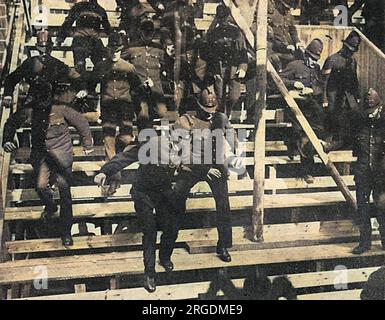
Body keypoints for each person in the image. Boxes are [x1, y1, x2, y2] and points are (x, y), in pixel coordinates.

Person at [2, 71, 94, 247]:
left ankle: (66, 232)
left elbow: (81, 122)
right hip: (42, 155)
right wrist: (6, 139)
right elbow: (11, 123)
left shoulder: (62, 108)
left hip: (61, 155)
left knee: (65, 192)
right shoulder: (29, 110)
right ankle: (51, 207)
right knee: (40, 186)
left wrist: (88, 144)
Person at [93, 134, 187, 293]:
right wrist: (104, 172)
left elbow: (195, 166)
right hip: (143, 192)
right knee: (150, 230)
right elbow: (124, 158)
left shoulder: (187, 149)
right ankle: (149, 274)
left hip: (163, 191)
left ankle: (164, 257)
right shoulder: (151, 145)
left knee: (172, 227)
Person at [173, 89, 243, 263]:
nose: (210, 114)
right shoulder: (187, 121)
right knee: (176, 196)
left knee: (223, 204)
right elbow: (183, 153)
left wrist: (237, 153)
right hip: (193, 167)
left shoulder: (220, 118)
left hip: (216, 166)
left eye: (212, 109)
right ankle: (169, 240)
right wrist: (203, 170)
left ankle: (223, 245)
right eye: (206, 110)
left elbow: (231, 135)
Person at [86, 31, 145, 196]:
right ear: (107, 50)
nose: (114, 53)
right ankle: (115, 178)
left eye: (117, 50)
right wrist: (95, 106)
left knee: (126, 139)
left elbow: (137, 88)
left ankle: (115, 168)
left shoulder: (128, 67)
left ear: (121, 50)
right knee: (108, 142)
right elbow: (91, 87)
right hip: (108, 108)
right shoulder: (101, 67)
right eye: (111, 50)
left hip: (125, 108)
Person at [280, 38, 326, 183]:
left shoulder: (317, 68)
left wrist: (311, 90)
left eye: (316, 59)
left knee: (318, 130)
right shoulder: (294, 65)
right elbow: (278, 80)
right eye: (312, 58)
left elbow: (320, 87)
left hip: (311, 106)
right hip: (295, 105)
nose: (313, 61)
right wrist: (294, 83)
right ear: (306, 55)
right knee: (303, 135)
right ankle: (307, 171)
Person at [351, 88, 385, 255]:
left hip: (381, 174)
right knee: (362, 209)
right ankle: (364, 243)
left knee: (382, 207)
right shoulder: (359, 120)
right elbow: (345, 139)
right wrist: (328, 146)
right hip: (363, 171)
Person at [122, 18, 167, 126]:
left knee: (162, 112)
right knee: (143, 116)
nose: (148, 34)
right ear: (140, 31)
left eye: (150, 31)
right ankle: (146, 137)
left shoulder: (159, 49)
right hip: (139, 88)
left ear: (153, 32)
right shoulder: (132, 48)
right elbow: (121, 62)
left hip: (155, 88)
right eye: (145, 31)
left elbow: (166, 65)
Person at [322, 31, 361, 152]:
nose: (350, 53)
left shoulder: (352, 61)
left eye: (352, 51)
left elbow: (354, 79)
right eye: (348, 49)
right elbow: (324, 82)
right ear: (344, 46)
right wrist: (324, 99)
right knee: (335, 127)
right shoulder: (331, 60)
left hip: (349, 100)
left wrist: (357, 96)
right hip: (334, 99)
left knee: (350, 126)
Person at [206, 4, 248, 117]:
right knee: (220, 96)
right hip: (219, 68)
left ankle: (227, 113)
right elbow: (209, 53)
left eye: (225, 17)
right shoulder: (213, 33)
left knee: (235, 96)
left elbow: (243, 52)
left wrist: (242, 67)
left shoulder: (236, 32)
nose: (223, 20)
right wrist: (212, 71)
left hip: (234, 67)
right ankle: (222, 118)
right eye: (220, 18)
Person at [56, 0, 111, 74]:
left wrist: (113, 41)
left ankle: (93, 82)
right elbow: (68, 23)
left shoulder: (100, 10)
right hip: (80, 40)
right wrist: (60, 39)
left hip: (94, 40)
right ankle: (81, 82)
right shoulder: (79, 7)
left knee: (100, 66)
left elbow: (107, 28)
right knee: (79, 67)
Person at [268, 0, 304, 72]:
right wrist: (284, 46)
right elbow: (269, 36)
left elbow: (292, 30)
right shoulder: (273, 14)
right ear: (281, 4)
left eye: (289, 8)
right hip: (274, 49)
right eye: (286, 8)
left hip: (286, 49)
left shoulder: (288, 15)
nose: (288, 10)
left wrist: (297, 42)